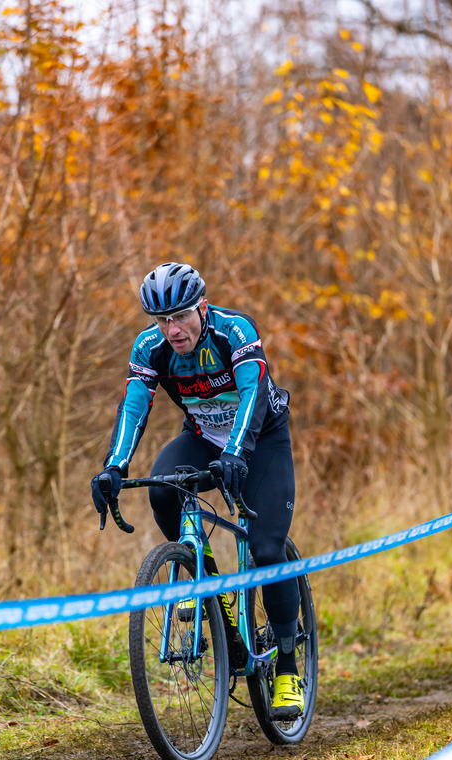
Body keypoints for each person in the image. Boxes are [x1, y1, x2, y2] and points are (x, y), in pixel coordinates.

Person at [91, 261, 303, 720]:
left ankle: (287, 667)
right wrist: (113, 466)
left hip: (261, 439)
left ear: (202, 307)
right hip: (203, 438)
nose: (173, 329)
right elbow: (133, 407)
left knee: (266, 551)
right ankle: (203, 578)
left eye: (181, 316)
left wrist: (238, 451)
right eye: (162, 320)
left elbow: (251, 393)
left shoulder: (235, 331)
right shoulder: (150, 348)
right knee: (163, 489)